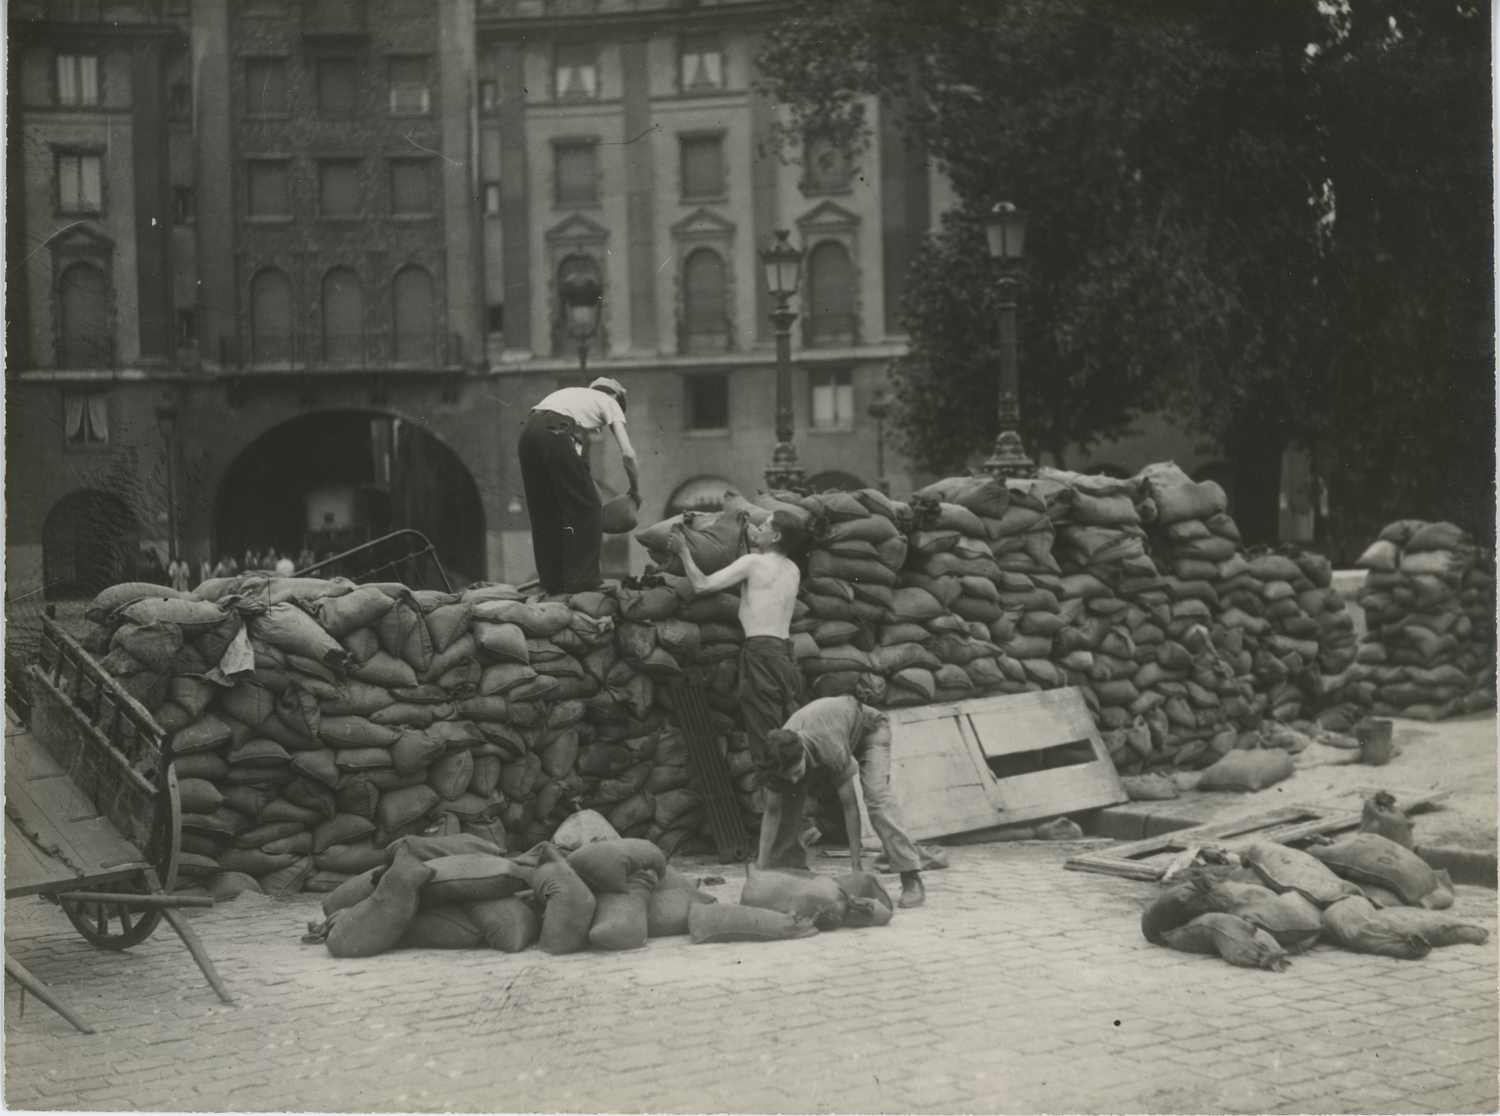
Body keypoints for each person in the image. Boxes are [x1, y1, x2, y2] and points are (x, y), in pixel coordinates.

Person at [671, 509, 809, 778]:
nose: (759, 527)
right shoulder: (792, 569)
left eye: (765, 525)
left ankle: (777, 809)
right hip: (786, 654)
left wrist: (683, 551)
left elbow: (701, 585)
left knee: (766, 740)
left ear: (776, 535)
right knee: (788, 735)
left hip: (761, 655)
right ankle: (795, 807)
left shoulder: (753, 563)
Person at [760, 695, 927, 908]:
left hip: (870, 730)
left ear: (802, 753)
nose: (793, 779)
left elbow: (849, 807)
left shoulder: (828, 746)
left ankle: (910, 876)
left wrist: (856, 868)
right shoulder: (778, 753)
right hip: (837, 730)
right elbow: (772, 812)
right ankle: (790, 872)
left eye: (796, 771)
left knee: (876, 797)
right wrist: (760, 869)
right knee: (788, 798)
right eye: (788, 775)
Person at [518, 376, 640, 595]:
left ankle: (552, 581)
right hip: (556, 432)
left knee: (546, 510)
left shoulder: (572, 398)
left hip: (528, 434)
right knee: (589, 508)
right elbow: (629, 455)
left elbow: (575, 466)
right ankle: (583, 581)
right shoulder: (610, 402)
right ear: (616, 397)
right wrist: (635, 490)